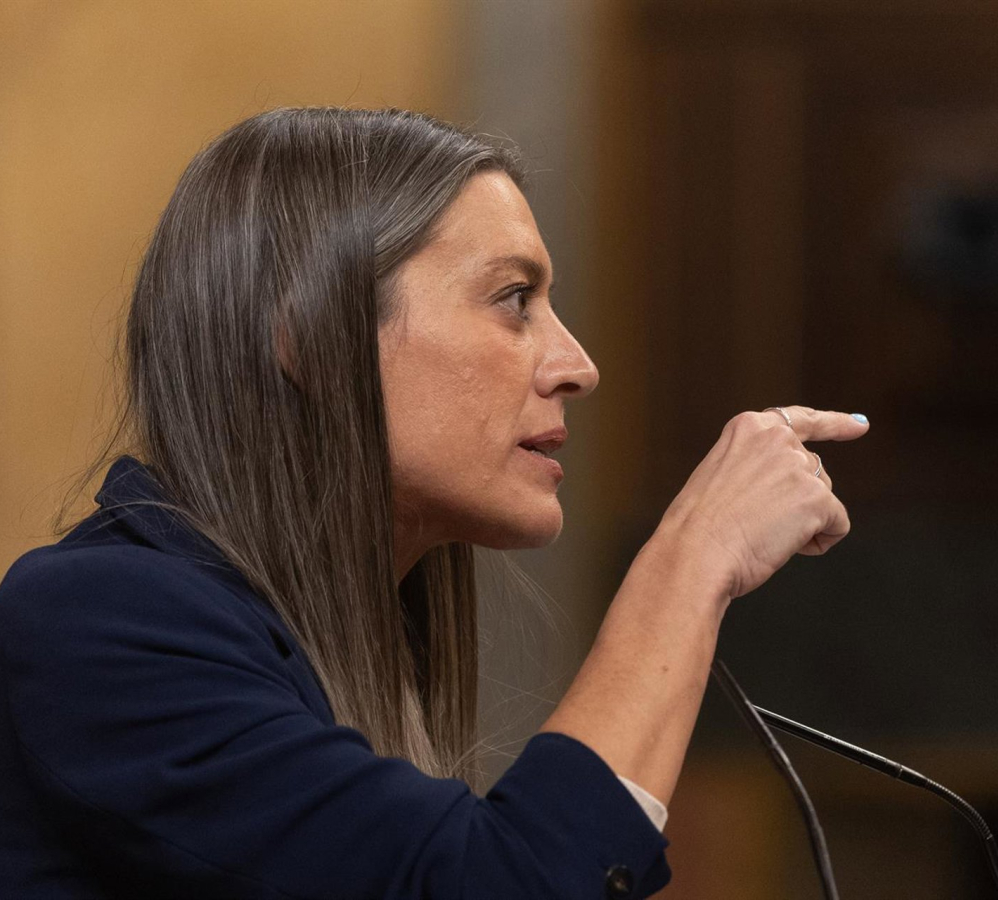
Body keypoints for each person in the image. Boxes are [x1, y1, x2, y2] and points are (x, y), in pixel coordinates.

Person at [0, 107, 868, 899]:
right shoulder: (94, 618)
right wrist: (693, 557)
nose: (578, 366)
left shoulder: (345, 628)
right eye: (514, 299)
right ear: (310, 337)